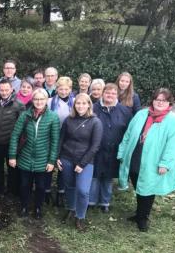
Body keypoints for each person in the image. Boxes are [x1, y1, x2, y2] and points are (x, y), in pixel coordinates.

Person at [117, 88, 175, 232]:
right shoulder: (142, 114)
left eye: (163, 100)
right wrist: (122, 152)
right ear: (152, 101)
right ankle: (139, 212)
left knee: (148, 188)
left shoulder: (173, 121)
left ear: (169, 102)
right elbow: (128, 134)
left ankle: (142, 217)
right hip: (136, 156)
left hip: (153, 161)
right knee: (138, 183)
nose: (160, 103)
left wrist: (165, 164)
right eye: (157, 99)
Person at [8, 88, 60, 219]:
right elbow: (15, 136)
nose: (39, 102)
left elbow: (55, 142)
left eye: (41, 99)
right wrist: (12, 156)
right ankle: (24, 206)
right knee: (25, 184)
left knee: (41, 186)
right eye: (36, 99)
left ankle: (38, 208)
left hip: (43, 159)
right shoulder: (25, 115)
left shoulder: (53, 117)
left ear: (46, 100)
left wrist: (51, 161)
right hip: (25, 157)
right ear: (32, 100)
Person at [57, 93, 102, 231]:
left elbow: (95, 146)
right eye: (78, 103)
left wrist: (82, 164)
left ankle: (80, 216)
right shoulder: (68, 120)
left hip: (85, 162)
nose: (80, 106)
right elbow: (61, 139)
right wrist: (57, 157)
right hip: (67, 158)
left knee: (83, 191)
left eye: (84, 103)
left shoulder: (95, 122)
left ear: (89, 105)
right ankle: (71, 209)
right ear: (74, 105)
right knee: (70, 187)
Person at [89, 83, 132, 213]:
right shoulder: (93, 108)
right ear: (102, 93)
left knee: (108, 177)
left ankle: (105, 202)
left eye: (113, 93)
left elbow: (128, 132)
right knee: (94, 176)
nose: (110, 95)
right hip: (96, 149)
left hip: (114, 150)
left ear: (117, 95)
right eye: (107, 93)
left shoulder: (124, 111)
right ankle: (91, 200)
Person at [0, 78, 25, 195]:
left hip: (10, 143)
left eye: (6, 90)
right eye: (2, 90)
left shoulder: (19, 105)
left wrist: (18, 144)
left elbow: (22, 126)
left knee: (12, 169)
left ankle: (11, 190)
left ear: (12, 89)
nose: (4, 92)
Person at [45, 76, 75, 204]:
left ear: (70, 89)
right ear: (57, 89)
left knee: (63, 165)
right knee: (49, 163)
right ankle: (46, 191)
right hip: (50, 137)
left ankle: (60, 193)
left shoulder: (74, 102)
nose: (63, 91)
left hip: (68, 138)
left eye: (66, 89)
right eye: (60, 89)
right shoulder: (49, 101)